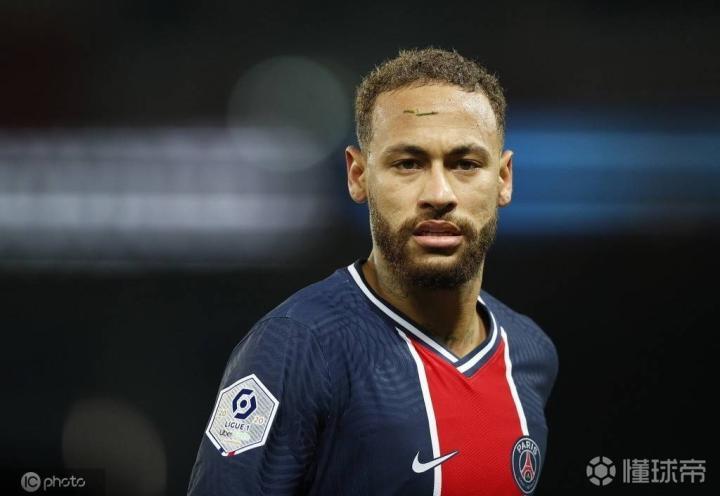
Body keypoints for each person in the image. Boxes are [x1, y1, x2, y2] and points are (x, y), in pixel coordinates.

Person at [188, 47, 558, 496]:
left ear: (503, 178)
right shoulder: (295, 347)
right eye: (408, 164)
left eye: (465, 164)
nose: (439, 194)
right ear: (358, 175)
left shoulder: (530, 352)